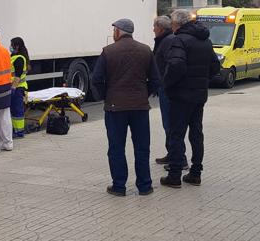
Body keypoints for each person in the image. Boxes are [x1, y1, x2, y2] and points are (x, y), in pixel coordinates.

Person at [91, 18, 160, 197]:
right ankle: (145, 186)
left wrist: (106, 96)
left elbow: (96, 79)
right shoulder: (146, 50)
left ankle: (119, 186)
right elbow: (155, 79)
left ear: (119, 31)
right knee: (142, 147)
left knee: (116, 147)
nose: (113, 33)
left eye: (114, 30)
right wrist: (144, 94)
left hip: (115, 108)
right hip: (140, 107)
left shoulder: (108, 51)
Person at [160, 10, 220, 188]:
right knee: (196, 133)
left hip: (180, 95)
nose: (171, 25)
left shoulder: (180, 40)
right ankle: (195, 173)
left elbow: (176, 65)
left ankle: (175, 175)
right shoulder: (205, 40)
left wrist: (167, 83)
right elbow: (215, 67)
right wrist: (202, 80)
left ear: (177, 24)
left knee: (176, 134)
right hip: (199, 95)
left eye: (172, 22)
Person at [153, 16, 188, 170]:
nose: (152, 29)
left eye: (154, 26)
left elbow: (170, 65)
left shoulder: (167, 41)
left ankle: (179, 159)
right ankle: (172, 154)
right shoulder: (166, 39)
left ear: (160, 27)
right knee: (169, 124)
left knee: (170, 124)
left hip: (167, 89)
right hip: (166, 88)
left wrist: (164, 83)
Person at [10, 37, 29, 138]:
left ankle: (19, 131)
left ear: (16, 46)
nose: (10, 47)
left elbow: (18, 75)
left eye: (11, 44)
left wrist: (13, 88)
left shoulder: (20, 58)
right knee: (14, 110)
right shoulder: (14, 56)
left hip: (18, 88)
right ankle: (15, 129)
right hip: (16, 88)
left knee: (17, 110)